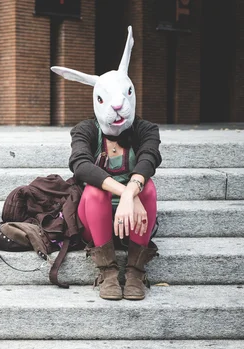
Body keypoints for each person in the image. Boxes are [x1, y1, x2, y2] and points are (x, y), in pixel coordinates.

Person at [51, 26, 162, 301]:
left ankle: (135, 271)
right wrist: (125, 193)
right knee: (94, 190)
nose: (117, 106)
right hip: (95, 217)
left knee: (148, 189)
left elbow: (149, 159)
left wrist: (133, 192)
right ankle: (108, 271)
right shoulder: (85, 130)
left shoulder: (146, 129)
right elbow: (81, 166)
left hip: (137, 218)